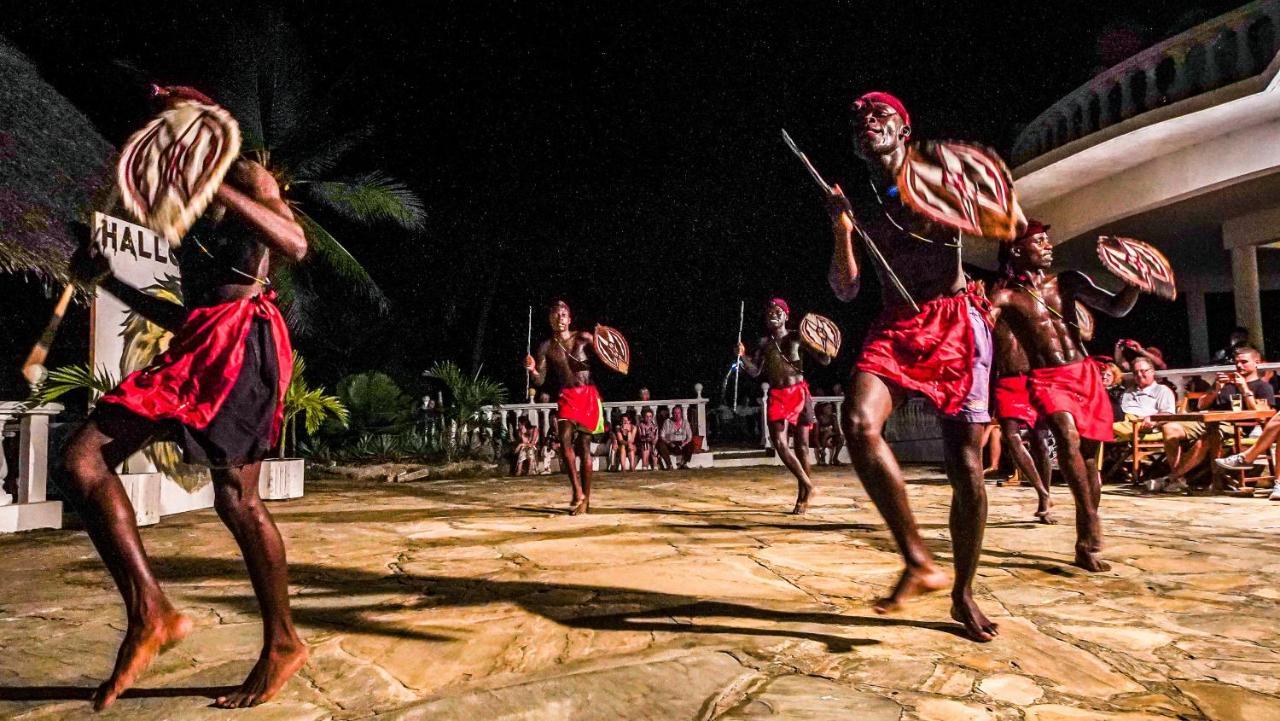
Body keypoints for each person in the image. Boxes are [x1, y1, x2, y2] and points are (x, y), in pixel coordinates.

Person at [60, 86, 309, 711]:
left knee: (236, 498)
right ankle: (151, 611)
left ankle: (282, 643)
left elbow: (294, 244)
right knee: (82, 461)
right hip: (197, 341)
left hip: (243, 339)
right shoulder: (175, 200)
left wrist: (216, 183)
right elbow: (184, 298)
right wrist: (106, 275)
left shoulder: (247, 174)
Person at [822, 90, 1018, 641]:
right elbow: (845, 288)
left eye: (881, 115)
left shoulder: (934, 178)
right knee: (858, 423)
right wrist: (841, 231)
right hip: (896, 322)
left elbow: (988, 217)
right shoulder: (855, 204)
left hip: (955, 324)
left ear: (905, 130)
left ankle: (963, 592)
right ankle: (918, 560)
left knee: (966, 468)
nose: (869, 123)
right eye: (859, 119)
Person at [989, 221, 1140, 572]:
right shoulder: (1006, 297)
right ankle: (1089, 523)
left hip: (1083, 374)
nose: (1048, 245)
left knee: (1089, 461)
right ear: (1016, 250)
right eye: (1038, 241)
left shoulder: (1068, 281)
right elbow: (978, 329)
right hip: (1046, 379)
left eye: (1047, 239)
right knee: (1067, 437)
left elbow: (1116, 308)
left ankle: (1084, 543)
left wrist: (1133, 283)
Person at [524, 300, 623, 514]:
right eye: (556, 314)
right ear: (551, 319)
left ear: (570, 319)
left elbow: (610, 355)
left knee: (584, 447)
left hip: (587, 396)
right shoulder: (546, 347)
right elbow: (540, 380)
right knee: (564, 440)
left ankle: (585, 501)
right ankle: (577, 491)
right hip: (567, 397)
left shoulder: (583, 338)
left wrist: (603, 337)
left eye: (564, 315)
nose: (560, 318)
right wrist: (532, 370)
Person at [737, 297, 834, 513]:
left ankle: (803, 496)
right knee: (779, 443)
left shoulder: (797, 337)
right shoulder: (764, 344)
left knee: (801, 447)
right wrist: (742, 357)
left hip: (799, 393)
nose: (773, 313)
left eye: (778, 310)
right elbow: (755, 372)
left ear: (786, 315)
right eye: (770, 311)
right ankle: (808, 484)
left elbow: (824, 361)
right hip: (777, 396)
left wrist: (825, 345)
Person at [1155, 346, 1275, 493]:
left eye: (1244, 362)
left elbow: (1261, 415)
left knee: (1206, 439)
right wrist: (1216, 388)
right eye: (1236, 362)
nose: (1239, 366)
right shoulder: (1227, 383)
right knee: (1170, 428)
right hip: (1208, 420)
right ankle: (1179, 479)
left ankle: (1173, 477)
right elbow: (1201, 405)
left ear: (1257, 363)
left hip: (1235, 426)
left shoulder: (1263, 387)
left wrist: (1244, 389)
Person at [990, 313, 1055, 523]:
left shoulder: (1033, 316)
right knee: (1010, 436)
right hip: (1006, 383)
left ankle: (1044, 500)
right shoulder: (994, 318)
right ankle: (1042, 491)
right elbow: (989, 357)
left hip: (1033, 380)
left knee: (1041, 442)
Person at [1112, 357, 1193, 475]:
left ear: (1152, 371)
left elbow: (1169, 414)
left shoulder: (1162, 390)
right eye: (1135, 372)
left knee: (1104, 429)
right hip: (1125, 421)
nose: (1139, 375)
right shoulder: (1129, 391)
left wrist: (1153, 420)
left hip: (1143, 426)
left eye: (1143, 371)